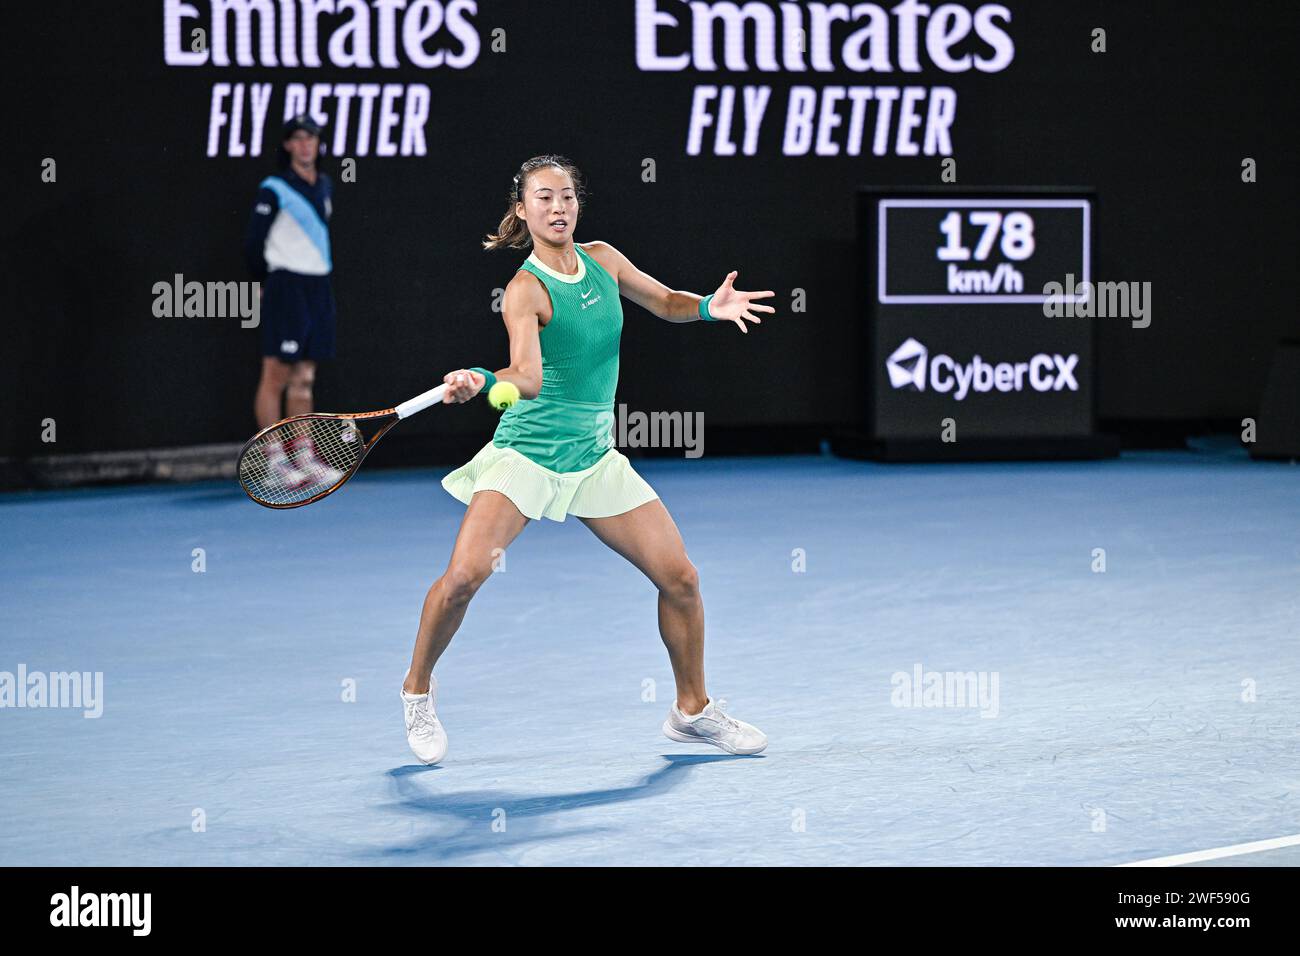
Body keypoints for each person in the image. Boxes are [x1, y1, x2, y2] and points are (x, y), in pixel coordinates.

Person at [400, 154, 776, 763]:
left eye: (567, 197)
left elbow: (668, 302)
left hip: (594, 457)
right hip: (529, 454)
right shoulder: (524, 291)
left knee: (680, 579)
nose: (558, 208)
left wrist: (711, 305)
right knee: (465, 577)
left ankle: (691, 712)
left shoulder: (604, 259)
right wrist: (479, 378)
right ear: (522, 211)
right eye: (544, 198)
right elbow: (524, 379)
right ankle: (417, 690)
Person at [244, 115, 339, 486]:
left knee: (305, 376)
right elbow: (254, 242)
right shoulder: (273, 187)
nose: (305, 145)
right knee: (276, 374)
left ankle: (302, 456)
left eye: (311, 138)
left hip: (318, 287)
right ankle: (273, 462)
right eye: (298, 139)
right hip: (285, 285)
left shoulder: (326, 184)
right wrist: (264, 281)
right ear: (287, 145)